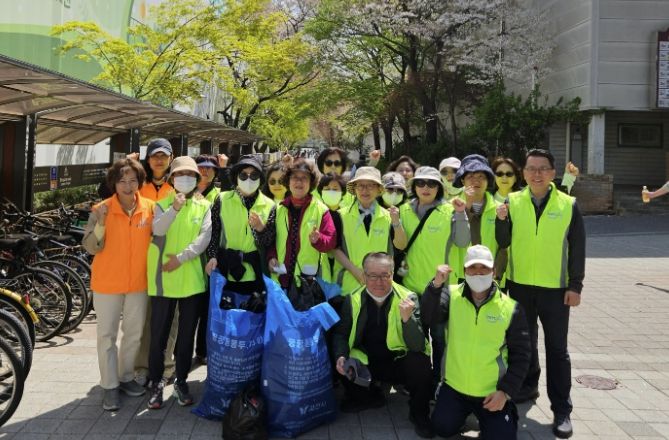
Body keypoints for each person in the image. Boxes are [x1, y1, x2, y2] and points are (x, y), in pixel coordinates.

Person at [496, 149, 585, 439]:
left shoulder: (568, 204)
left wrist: (575, 286)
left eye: (543, 168)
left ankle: (562, 410)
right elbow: (503, 242)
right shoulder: (512, 202)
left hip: (556, 290)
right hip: (520, 286)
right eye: (531, 168)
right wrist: (501, 220)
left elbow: (578, 248)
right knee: (525, 344)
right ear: (523, 173)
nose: (537, 174)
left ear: (552, 173)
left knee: (557, 350)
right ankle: (527, 386)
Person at [421, 245, 530, 440]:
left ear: (493, 272)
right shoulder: (451, 295)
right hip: (455, 387)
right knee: (442, 427)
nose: (478, 273)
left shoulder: (511, 308)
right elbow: (429, 316)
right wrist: (435, 286)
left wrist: (505, 392)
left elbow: (522, 356)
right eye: (472, 268)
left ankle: (506, 411)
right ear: (464, 271)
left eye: (484, 268)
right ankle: (458, 410)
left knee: (501, 437)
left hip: (491, 392)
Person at [331, 252, 433, 438]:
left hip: (397, 361)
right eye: (372, 276)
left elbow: (418, 345)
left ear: (392, 274)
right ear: (364, 275)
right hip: (367, 361)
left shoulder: (409, 298)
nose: (379, 282)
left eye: (385, 275)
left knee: (421, 362)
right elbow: (341, 334)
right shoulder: (352, 299)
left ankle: (419, 413)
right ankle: (371, 396)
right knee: (342, 361)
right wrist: (340, 356)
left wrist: (407, 319)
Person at [82, 158, 154, 411]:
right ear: (113, 183)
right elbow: (91, 247)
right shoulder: (100, 209)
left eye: (133, 180)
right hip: (107, 282)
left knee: (134, 334)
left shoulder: (150, 208)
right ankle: (109, 385)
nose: (127, 186)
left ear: (140, 183)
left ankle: (125, 377)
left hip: (138, 282)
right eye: (122, 181)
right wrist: (101, 223)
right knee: (107, 336)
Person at [146, 156, 212, 410]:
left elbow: (204, 238)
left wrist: (181, 259)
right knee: (158, 336)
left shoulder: (204, 206)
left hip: (192, 281)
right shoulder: (161, 204)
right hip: (163, 280)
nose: (185, 178)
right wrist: (173, 209)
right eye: (180, 174)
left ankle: (181, 381)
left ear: (196, 179)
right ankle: (156, 383)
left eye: (190, 175)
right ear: (172, 179)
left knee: (186, 337)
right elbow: (158, 230)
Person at [264, 159, 337, 290]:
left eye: (304, 178)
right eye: (295, 177)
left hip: (308, 284)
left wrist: (318, 239)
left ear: (311, 182)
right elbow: (271, 241)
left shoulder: (321, 210)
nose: (299, 182)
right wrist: (271, 257)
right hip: (281, 281)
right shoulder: (279, 209)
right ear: (288, 181)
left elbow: (331, 241)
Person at [206, 155, 274, 294]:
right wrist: (212, 256)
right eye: (243, 175)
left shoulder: (270, 205)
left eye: (254, 175)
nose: (248, 179)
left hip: (256, 273)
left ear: (260, 178)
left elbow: (270, 242)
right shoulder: (222, 199)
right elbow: (213, 232)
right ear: (236, 177)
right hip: (225, 269)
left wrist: (261, 229)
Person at [334, 167, 394, 295]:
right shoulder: (340, 215)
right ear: (355, 189)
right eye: (360, 186)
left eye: (371, 186)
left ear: (378, 189)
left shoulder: (389, 217)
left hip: (380, 287)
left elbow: (392, 251)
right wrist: (356, 272)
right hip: (347, 286)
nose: (365, 190)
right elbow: (335, 249)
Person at [450, 154, 503, 282]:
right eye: (470, 176)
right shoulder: (449, 207)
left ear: (488, 180)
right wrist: (467, 205)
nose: (476, 181)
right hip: (460, 275)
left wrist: (497, 271)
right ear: (462, 180)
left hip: (489, 274)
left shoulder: (500, 209)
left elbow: (504, 246)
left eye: (481, 176)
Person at [316, 173, 346, 285]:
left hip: (343, 265)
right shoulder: (316, 213)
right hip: (320, 265)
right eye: (327, 189)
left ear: (342, 192)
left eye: (335, 189)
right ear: (321, 192)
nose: (331, 192)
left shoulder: (346, 215)